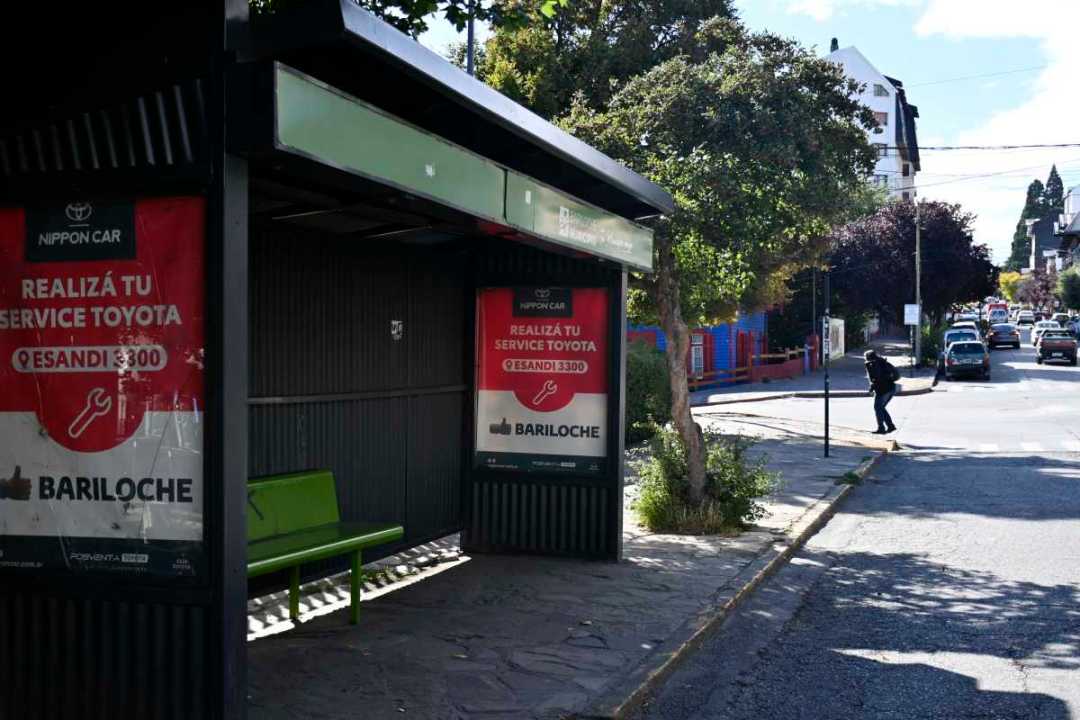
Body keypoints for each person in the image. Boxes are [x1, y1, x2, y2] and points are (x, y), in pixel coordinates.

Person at [864, 349, 899, 434]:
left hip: (882, 390)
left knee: (878, 407)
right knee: (881, 408)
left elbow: (876, 378)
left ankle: (881, 428)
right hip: (891, 388)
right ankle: (890, 426)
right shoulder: (883, 361)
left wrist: (871, 389)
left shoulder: (872, 364)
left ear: (867, 357)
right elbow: (896, 374)